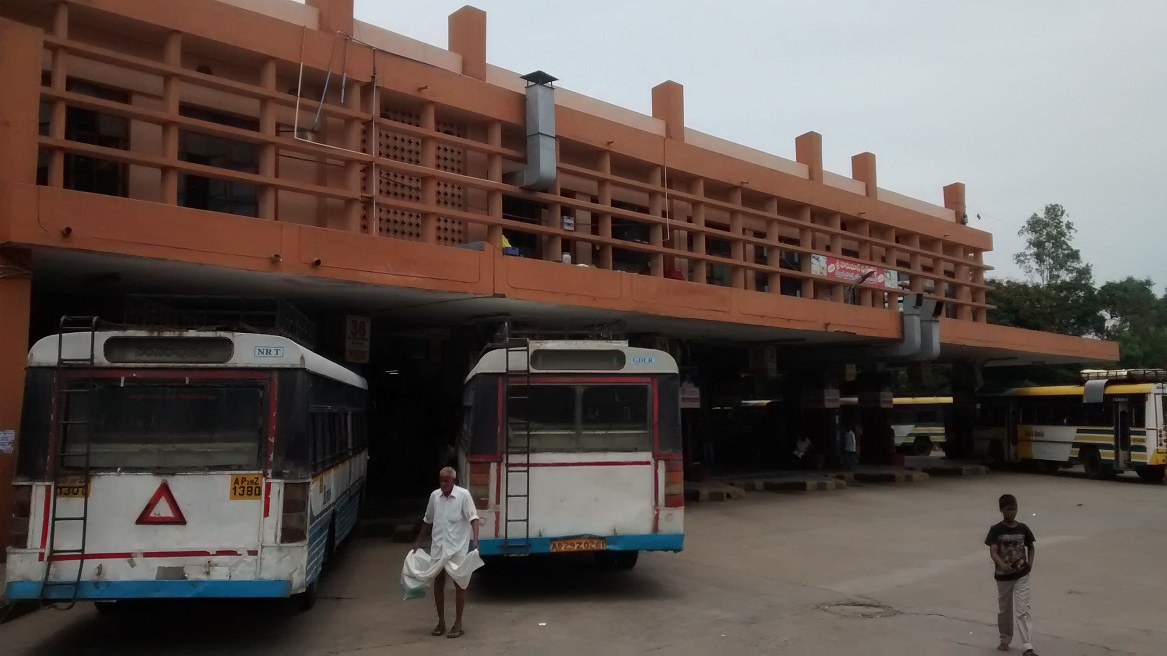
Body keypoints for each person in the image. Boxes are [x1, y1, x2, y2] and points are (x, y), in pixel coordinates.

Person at [413, 467, 480, 639]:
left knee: (460, 584)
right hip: (438, 547)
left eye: (446, 481)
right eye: (441, 480)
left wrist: (475, 541)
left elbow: (474, 519)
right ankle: (441, 622)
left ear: (453, 481)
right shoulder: (434, 496)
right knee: (438, 582)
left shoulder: (464, 496)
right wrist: (418, 542)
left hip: (457, 549)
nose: (443, 484)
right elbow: (427, 520)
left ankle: (458, 623)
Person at [984, 494, 1037, 655]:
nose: (1012, 512)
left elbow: (1031, 547)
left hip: (1021, 575)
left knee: (1023, 609)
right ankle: (1005, 639)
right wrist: (1001, 564)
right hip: (1003, 577)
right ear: (1001, 510)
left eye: (1014, 509)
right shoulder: (996, 530)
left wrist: (1029, 565)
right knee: (1005, 610)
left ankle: (1027, 645)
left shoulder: (1023, 528)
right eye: (1008, 509)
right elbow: (993, 551)